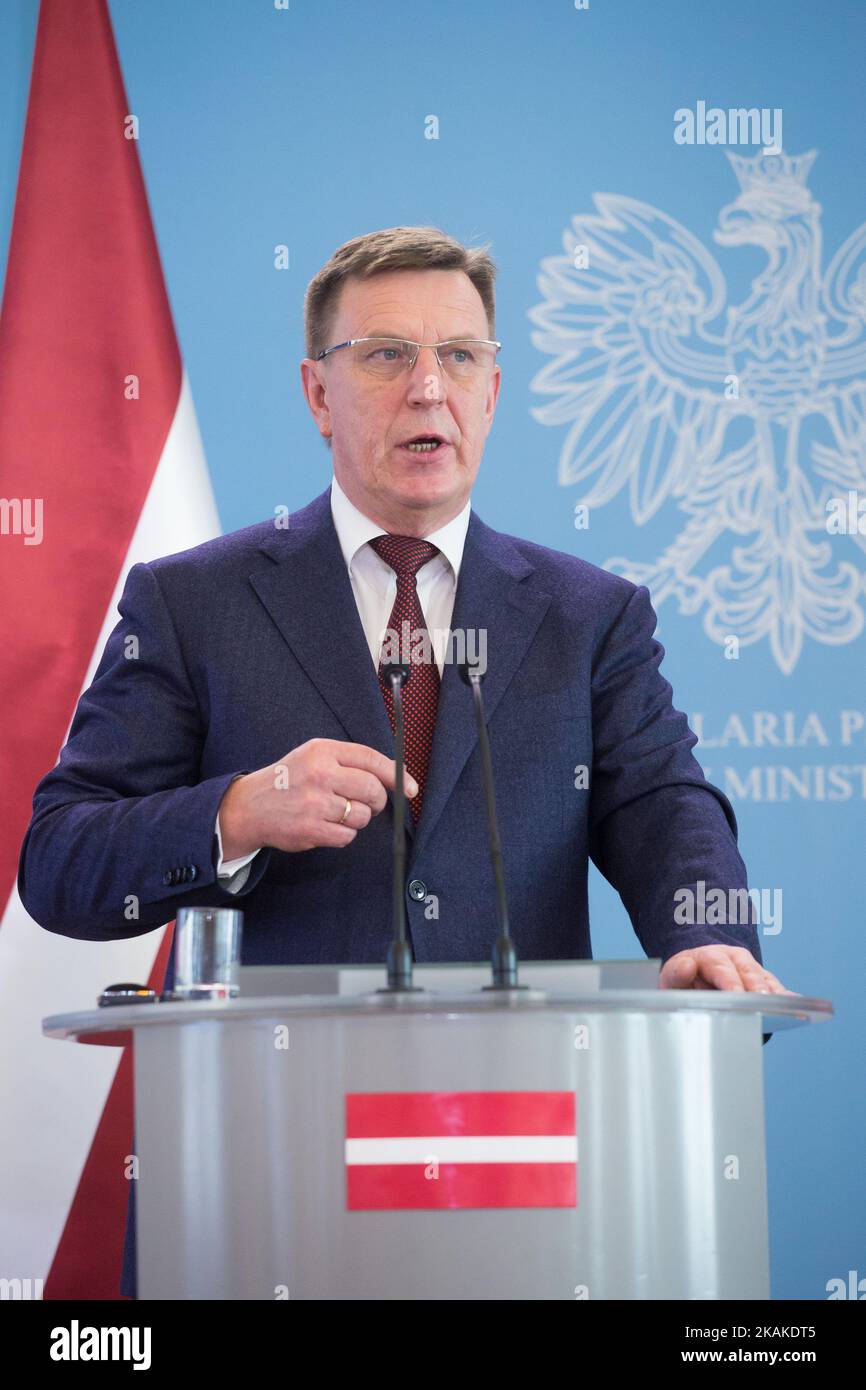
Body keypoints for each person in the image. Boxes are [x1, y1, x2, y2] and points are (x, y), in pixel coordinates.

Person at [18, 225, 789, 1298]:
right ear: (316, 391)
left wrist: (705, 938)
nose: (428, 388)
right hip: (266, 1182)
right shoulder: (190, 604)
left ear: (493, 388)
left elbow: (662, 805)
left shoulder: (589, 616)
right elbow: (59, 862)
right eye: (384, 355)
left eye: (459, 357)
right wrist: (236, 811)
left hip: (518, 1176)